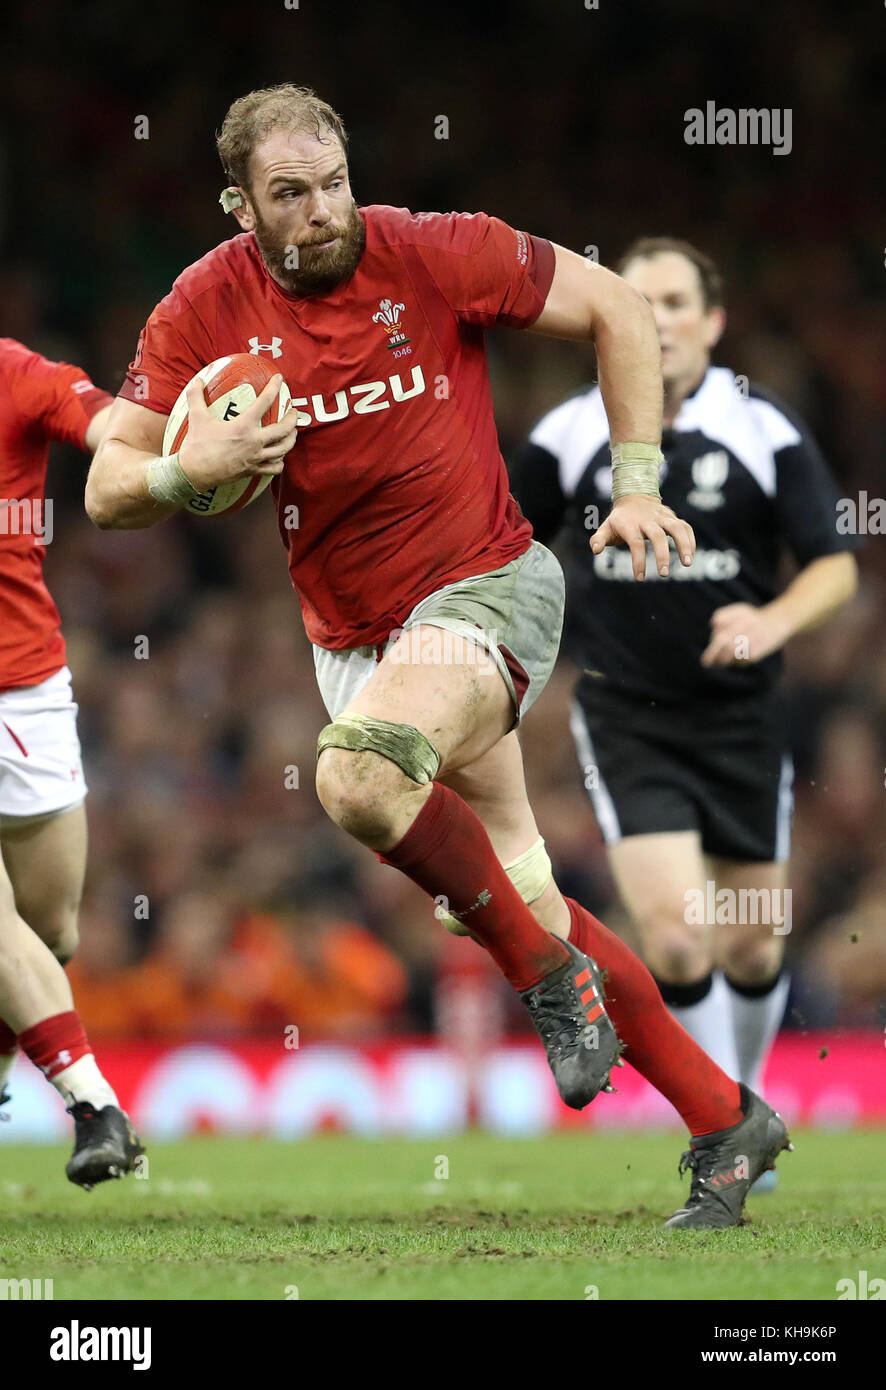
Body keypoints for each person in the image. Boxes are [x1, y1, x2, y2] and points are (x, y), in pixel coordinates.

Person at [85, 85, 791, 1227]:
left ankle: (547, 981)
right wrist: (182, 468)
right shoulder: (204, 308)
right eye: (287, 196)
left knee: (356, 776)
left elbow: (616, 306)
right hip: (359, 643)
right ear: (239, 207)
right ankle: (724, 1118)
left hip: (489, 589)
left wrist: (639, 480)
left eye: (331, 183)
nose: (319, 213)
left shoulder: (432, 253)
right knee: (523, 893)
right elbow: (106, 483)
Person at [509, 238, 858, 1184]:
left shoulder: (763, 429)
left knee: (752, 938)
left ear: (713, 322)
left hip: (743, 719)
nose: (655, 320)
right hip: (628, 714)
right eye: (637, 301)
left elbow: (835, 563)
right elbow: (503, 544)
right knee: (672, 929)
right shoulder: (568, 436)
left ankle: (742, 1106)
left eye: (674, 302)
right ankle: (727, 1125)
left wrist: (772, 619)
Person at [0, 337, 144, 1187]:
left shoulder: (16, 375)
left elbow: (109, 426)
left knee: (50, 933)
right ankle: (97, 1105)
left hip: (25, 693)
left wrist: (188, 439)